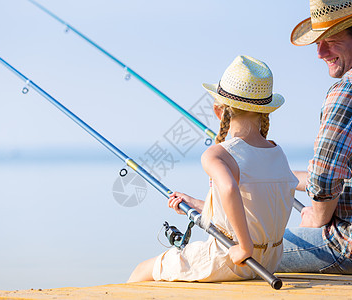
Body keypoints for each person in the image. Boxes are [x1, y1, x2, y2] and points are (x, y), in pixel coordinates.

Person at [127, 55, 298, 283]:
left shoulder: (216, 154)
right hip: (269, 261)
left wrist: (245, 247)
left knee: (142, 270)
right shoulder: (277, 153)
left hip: (232, 259)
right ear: (265, 112)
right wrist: (199, 204)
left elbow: (229, 188)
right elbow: (252, 201)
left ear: (219, 112)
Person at [277, 0, 352, 274]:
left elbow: (325, 179)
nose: (320, 52)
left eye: (329, 40)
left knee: (238, 249)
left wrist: (315, 219)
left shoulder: (351, 91)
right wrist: (278, 178)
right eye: (317, 42)